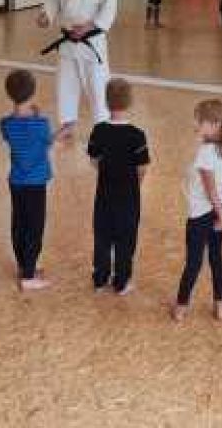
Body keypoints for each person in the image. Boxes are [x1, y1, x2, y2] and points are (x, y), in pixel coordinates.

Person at [38, 0, 118, 143]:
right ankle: (68, 125)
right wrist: (46, 16)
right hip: (68, 43)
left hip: (91, 43)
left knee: (98, 86)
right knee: (65, 85)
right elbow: (52, 3)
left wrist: (87, 27)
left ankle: (103, 128)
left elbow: (108, 11)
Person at [86, 78, 150, 295]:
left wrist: (107, 171)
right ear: (130, 102)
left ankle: (100, 279)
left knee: (102, 237)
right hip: (128, 198)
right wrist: (135, 183)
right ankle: (121, 282)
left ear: (106, 102)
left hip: (104, 195)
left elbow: (94, 159)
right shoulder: (137, 135)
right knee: (126, 239)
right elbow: (142, 167)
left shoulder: (98, 131)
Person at [171, 99, 222, 322]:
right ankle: (219, 302)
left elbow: (212, 189)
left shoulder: (205, 153)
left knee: (195, 262)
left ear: (215, 124)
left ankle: (182, 303)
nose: (195, 124)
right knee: (215, 257)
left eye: (200, 121)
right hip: (220, 209)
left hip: (202, 214)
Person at [0, 69, 54, 292]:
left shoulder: (5, 124)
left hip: (16, 182)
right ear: (32, 93)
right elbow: (47, 142)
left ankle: (24, 265)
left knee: (20, 223)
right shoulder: (41, 124)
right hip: (36, 183)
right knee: (35, 227)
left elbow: (15, 128)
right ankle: (29, 277)